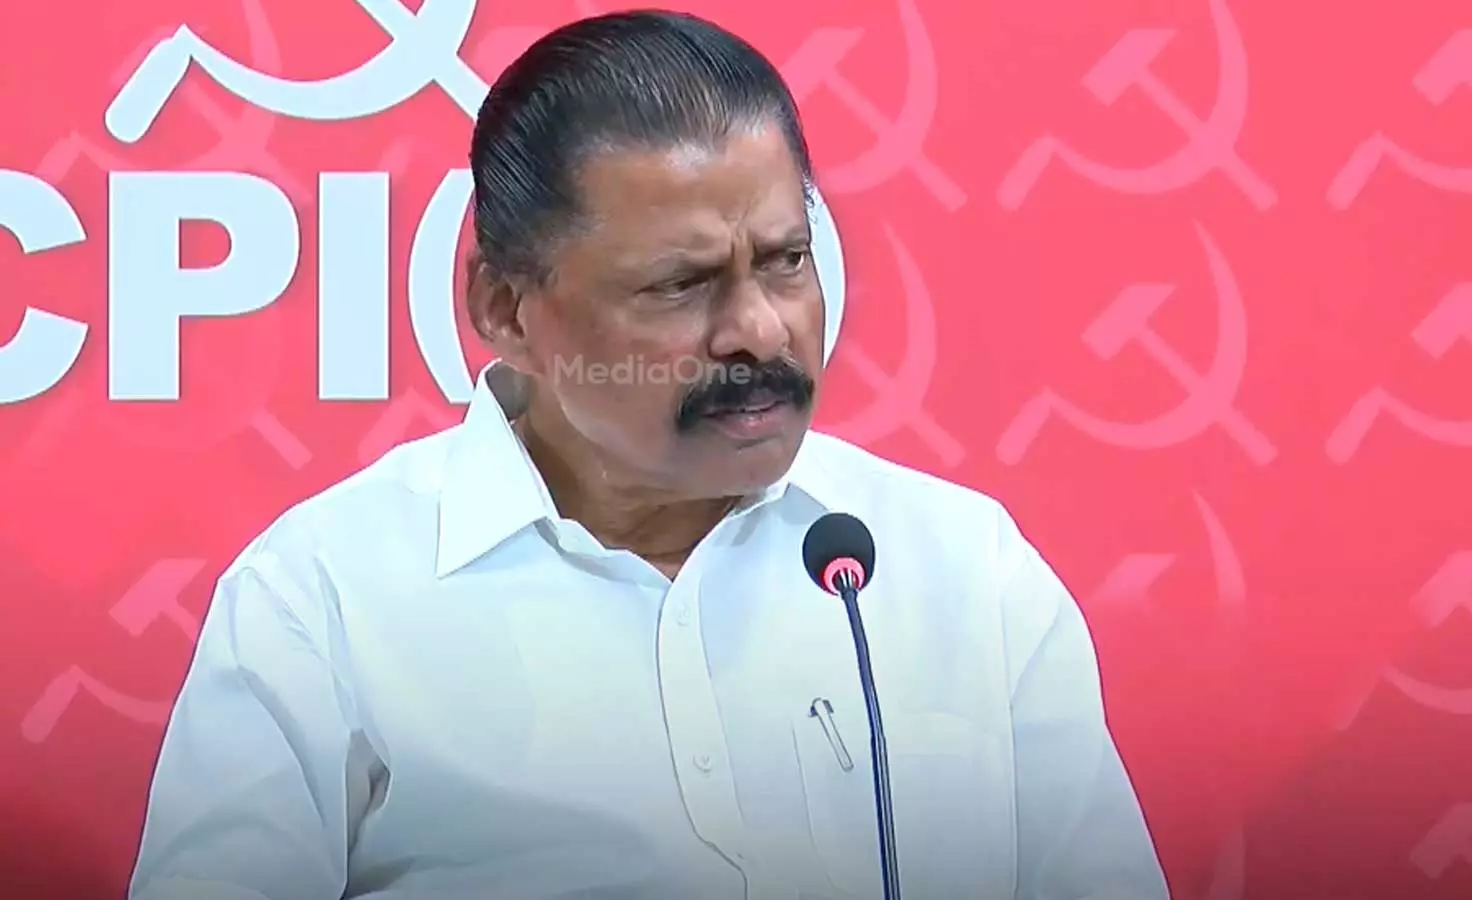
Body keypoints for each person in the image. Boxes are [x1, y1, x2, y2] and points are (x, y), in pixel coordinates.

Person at [127, 9, 1170, 900]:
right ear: (506, 308)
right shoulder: (324, 598)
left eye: (787, 261)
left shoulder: (960, 570)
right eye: (681, 285)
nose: (759, 330)